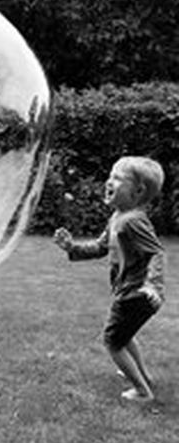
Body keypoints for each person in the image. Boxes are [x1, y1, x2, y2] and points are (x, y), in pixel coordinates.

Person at [54, 156, 166, 402]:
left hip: (138, 293)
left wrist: (152, 285)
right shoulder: (117, 217)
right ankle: (143, 376)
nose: (109, 180)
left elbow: (155, 252)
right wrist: (71, 246)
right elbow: (100, 247)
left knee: (113, 341)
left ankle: (141, 392)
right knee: (124, 335)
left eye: (117, 178)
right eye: (110, 175)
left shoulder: (133, 221)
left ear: (137, 191)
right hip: (132, 291)